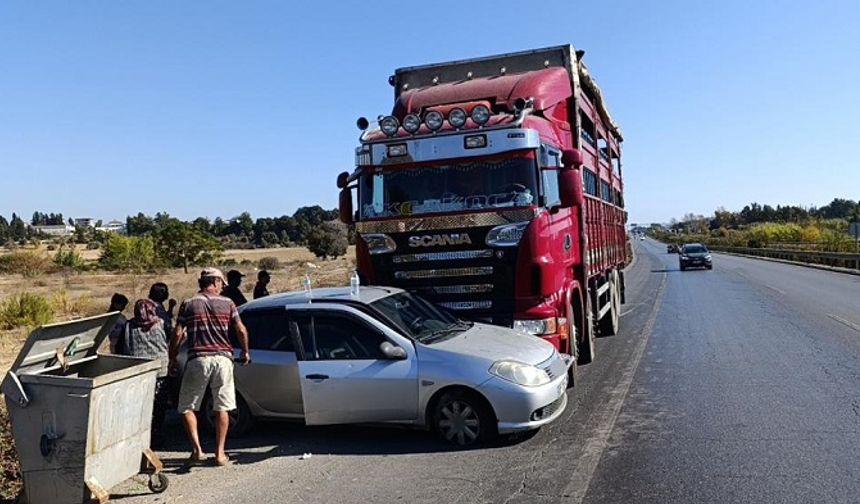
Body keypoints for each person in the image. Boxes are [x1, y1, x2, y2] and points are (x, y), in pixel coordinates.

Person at [169, 267, 250, 467]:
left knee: (187, 406)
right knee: (222, 407)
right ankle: (220, 454)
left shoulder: (188, 303)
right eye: (221, 283)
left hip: (198, 359)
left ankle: (197, 451)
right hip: (223, 359)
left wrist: (172, 358)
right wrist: (245, 351)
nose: (223, 286)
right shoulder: (228, 303)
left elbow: (178, 333)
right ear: (214, 282)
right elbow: (240, 328)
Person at [119, 298, 170, 445]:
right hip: (160, 371)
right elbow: (171, 341)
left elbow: (120, 348)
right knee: (158, 406)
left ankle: (140, 435)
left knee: (139, 406)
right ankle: (156, 435)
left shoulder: (127, 326)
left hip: (137, 372)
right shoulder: (162, 324)